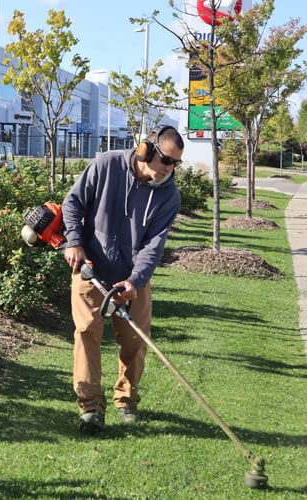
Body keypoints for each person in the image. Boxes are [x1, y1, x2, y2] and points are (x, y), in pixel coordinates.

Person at [61, 126, 184, 434]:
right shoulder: (107, 165)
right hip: (90, 269)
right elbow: (73, 203)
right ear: (146, 150)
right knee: (87, 333)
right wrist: (74, 241)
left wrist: (136, 281)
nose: (170, 169)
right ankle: (90, 407)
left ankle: (126, 400)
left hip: (131, 277)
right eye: (167, 161)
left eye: (176, 164)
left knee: (136, 339)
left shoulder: (169, 195)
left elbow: (154, 245)